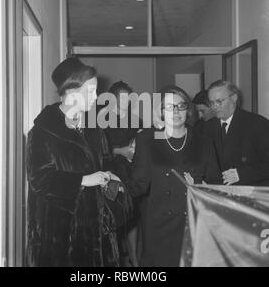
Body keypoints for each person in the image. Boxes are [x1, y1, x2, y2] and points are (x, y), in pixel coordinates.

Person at [25, 57, 132, 267]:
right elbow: (39, 178)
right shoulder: (42, 132)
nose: (97, 96)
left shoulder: (95, 129)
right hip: (60, 238)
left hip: (97, 233)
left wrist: (111, 178)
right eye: (90, 90)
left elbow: (107, 163)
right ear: (71, 92)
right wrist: (83, 180)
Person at [126, 85, 218, 267]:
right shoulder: (147, 139)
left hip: (193, 223)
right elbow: (139, 183)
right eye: (169, 106)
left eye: (181, 106)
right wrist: (115, 188)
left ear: (188, 110)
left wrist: (198, 184)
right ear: (160, 111)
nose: (175, 111)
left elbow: (216, 183)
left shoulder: (203, 141)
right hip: (158, 224)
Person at [99, 81, 143, 267]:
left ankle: (134, 259)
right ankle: (116, 260)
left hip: (132, 173)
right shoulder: (101, 121)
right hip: (112, 174)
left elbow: (143, 144)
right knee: (114, 217)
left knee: (132, 216)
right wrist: (120, 151)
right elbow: (100, 150)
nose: (125, 101)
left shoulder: (136, 120)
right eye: (121, 97)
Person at [206, 80, 269, 186]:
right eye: (211, 103)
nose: (215, 107)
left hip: (250, 195)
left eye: (219, 101)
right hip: (218, 195)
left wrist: (242, 174)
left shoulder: (257, 124)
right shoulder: (207, 127)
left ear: (234, 98)